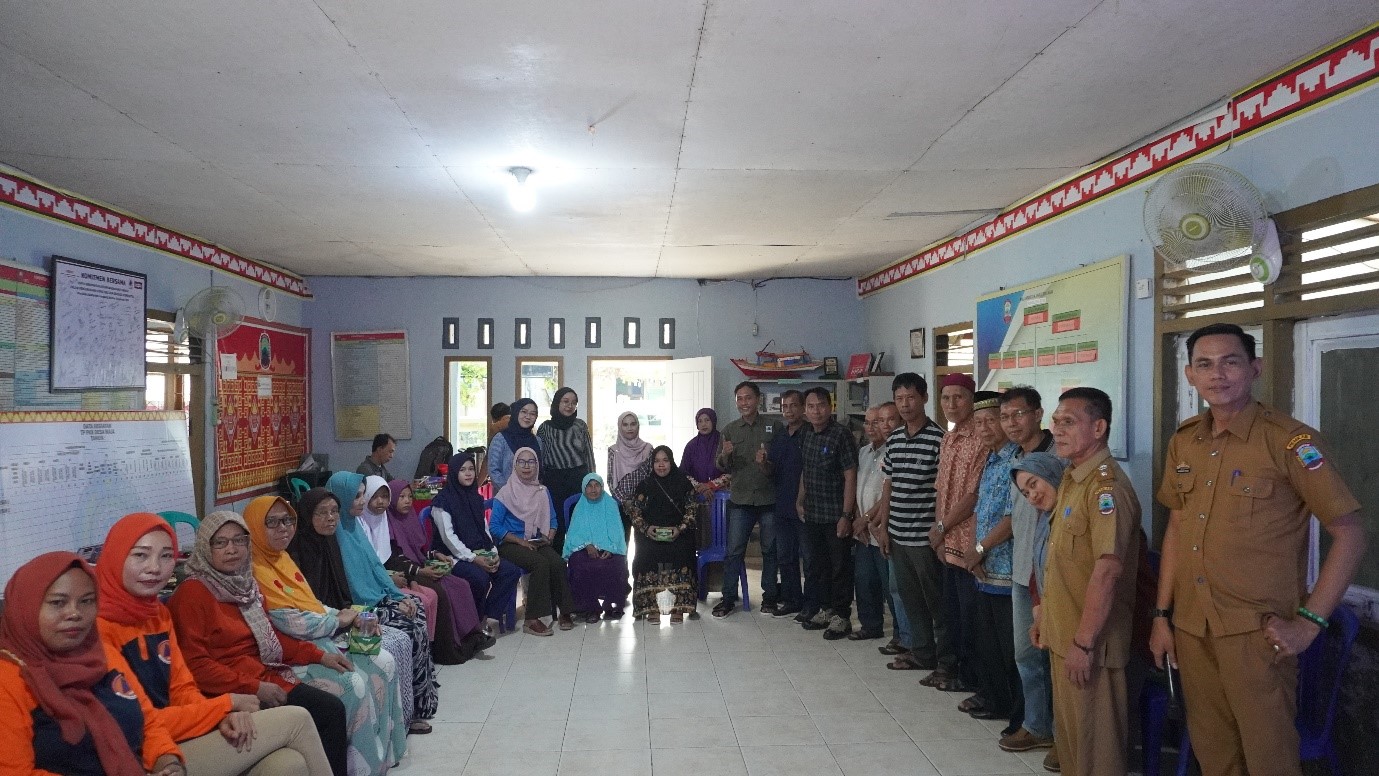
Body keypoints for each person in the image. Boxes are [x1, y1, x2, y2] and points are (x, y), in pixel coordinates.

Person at [1152, 323, 1366, 776]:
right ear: (1190, 375)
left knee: (1270, 760)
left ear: (1255, 369)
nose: (1218, 374)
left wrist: (1309, 624)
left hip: (1257, 634)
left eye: (1231, 361)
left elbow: (1350, 533)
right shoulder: (1185, 440)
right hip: (1192, 629)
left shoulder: (1291, 441)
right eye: (1204, 364)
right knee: (1214, 755)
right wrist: (1161, 616)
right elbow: (1176, 526)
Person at [96, 513, 333, 776]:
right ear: (116, 556)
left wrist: (218, 715)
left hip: (180, 732)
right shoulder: (97, 630)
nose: (155, 567)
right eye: (140, 555)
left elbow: (182, 687)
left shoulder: (156, 615)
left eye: (165, 556)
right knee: (297, 719)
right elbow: (139, 722)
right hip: (137, 753)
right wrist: (224, 706)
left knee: (289, 764)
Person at [166, 512, 358, 776]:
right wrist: (255, 687)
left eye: (239, 540)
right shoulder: (192, 594)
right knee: (325, 712)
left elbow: (270, 637)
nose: (231, 550)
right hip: (229, 692)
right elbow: (196, 667)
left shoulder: (247, 586)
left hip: (264, 677)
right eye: (220, 543)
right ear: (204, 548)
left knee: (330, 708)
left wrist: (318, 655)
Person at [1031, 387, 1140, 776]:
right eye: (1056, 422)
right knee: (1074, 748)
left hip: (1091, 644)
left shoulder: (1106, 488)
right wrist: (1044, 614)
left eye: (1069, 422)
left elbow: (1107, 572)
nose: (1057, 430)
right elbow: (1059, 559)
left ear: (1099, 427)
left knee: (1098, 753)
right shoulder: (1072, 478)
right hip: (1065, 635)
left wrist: (1083, 642)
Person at [1, 551, 186, 776]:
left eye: (86, 601)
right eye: (58, 603)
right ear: (25, 607)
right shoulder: (8, 679)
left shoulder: (103, 654)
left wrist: (169, 763)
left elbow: (149, 723)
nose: (74, 613)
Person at [283, 487, 419, 737]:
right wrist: (343, 618)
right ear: (306, 516)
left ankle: (398, 723)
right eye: (321, 513)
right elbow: (305, 606)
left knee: (398, 640)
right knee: (386, 649)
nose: (331, 518)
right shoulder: (295, 552)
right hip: (316, 629)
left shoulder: (330, 542)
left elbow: (345, 594)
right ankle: (370, 734)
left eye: (334, 511)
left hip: (340, 618)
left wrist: (354, 616)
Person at [325, 472, 439, 731]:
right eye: (357, 496)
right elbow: (353, 585)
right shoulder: (336, 534)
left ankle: (422, 700)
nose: (361, 501)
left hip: (376, 597)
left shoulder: (354, 526)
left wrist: (397, 596)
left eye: (363, 494)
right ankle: (406, 713)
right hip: (362, 605)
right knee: (409, 628)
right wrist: (386, 602)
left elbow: (376, 566)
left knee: (417, 609)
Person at [996, 387, 1057, 757]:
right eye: (1006, 417)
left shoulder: (1057, 457)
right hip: (1022, 571)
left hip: (1052, 574)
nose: (1011, 423)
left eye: (1018, 414)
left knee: (1054, 658)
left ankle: (1062, 734)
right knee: (1026, 654)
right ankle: (1037, 725)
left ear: (1038, 414)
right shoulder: (1014, 458)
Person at [876, 373, 949, 677]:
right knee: (910, 599)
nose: (905, 405)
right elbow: (888, 484)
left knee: (936, 602)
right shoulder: (893, 438)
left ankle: (946, 661)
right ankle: (921, 654)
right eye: (899, 398)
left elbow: (944, 489)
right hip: (897, 533)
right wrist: (883, 526)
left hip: (925, 538)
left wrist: (940, 531)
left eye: (911, 398)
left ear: (924, 398)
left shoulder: (940, 439)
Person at [963, 392, 1024, 734]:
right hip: (984, 565)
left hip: (1008, 566)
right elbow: (981, 506)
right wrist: (975, 551)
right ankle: (995, 699)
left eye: (992, 420)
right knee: (988, 642)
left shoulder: (1019, 459)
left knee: (1011, 647)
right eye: (979, 422)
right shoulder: (990, 458)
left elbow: (1014, 517)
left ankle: (1017, 713)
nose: (985, 428)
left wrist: (981, 548)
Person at [386, 478, 495, 661]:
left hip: (420, 566)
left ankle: (472, 636)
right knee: (442, 590)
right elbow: (393, 560)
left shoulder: (409, 517)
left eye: (409, 496)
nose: (407, 501)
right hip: (406, 573)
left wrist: (435, 555)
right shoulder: (388, 523)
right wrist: (421, 572)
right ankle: (448, 646)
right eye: (401, 497)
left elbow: (419, 550)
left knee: (460, 585)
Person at [1010, 452, 1069, 772]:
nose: (1032, 495)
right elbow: (1039, 565)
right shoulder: (1047, 518)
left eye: (1034, 484)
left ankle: (1066, 742)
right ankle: (1043, 730)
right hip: (1052, 608)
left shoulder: (1077, 509)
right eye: (1025, 492)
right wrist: (1039, 609)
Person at [928, 372, 984, 695]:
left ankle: (969, 676)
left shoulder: (980, 438)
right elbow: (942, 490)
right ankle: (949, 669)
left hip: (968, 542)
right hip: (947, 541)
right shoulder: (948, 437)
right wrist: (939, 531)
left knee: (969, 616)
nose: (951, 404)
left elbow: (972, 495)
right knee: (950, 611)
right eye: (946, 398)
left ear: (971, 399)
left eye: (958, 397)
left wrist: (942, 527)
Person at [428, 452, 525, 625]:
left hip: (478, 551)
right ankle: (471, 622)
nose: (468, 473)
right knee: (480, 578)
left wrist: (492, 552)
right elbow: (449, 539)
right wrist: (474, 559)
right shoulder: (442, 502)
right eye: (463, 470)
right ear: (454, 473)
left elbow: (484, 529)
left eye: (471, 469)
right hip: (453, 557)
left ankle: (485, 617)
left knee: (510, 571)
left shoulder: (475, 497)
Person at [488, 447, 576, 635]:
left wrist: (549, 536)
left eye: (531, 462)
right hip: (510, 544)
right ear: (515, 465)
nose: (527, 466)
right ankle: (532, 619)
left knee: (558, 562)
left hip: (534, 541)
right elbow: (494, 527)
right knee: (540, 564)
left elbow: (552, 520)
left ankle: (565, 612)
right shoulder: (505, 493)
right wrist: (520, 541)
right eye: (522, 462)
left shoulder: (542, 491)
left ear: (537, 465)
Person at [795, 386, 859, 639]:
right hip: (812, 512)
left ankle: (841, 617)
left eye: (821, 405)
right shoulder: (806, 434)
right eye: (811, 406)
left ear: (830, 407)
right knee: (817, 566)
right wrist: (800, 499)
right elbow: (806, 470)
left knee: (839, 567)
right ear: (805, 410)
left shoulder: (841, 435)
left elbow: (850, 474)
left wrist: (846, 514)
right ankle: (825, 609)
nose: (816, 411)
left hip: (835, 514)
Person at [712, 381, 776, 618]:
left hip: (768, 498)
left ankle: (770, 598)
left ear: (758, 399)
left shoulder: (773, 426)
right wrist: (725, 455)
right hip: (740, 498)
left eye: (748, 398)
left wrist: (766, 462)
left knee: (770, 550)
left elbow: (779, 465)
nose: (744, 403)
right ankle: (728, 598)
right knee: (734, 551)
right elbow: (720, 465)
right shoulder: (729, 430)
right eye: (739, 398)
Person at [358, 477, 440, 643]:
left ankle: (432, 648)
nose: (380, 502)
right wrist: (410, 577)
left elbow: (408, 551)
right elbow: (371, 565)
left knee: (435, 593)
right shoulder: (361, 524)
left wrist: (412, 576)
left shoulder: (382, 521)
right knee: (423, 599)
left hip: (395, 576)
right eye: (374, 496)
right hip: (375, 589)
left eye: (384, 497)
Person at [627, 446, 700, 622]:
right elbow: (635, 512)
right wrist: (646, 528)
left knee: (682, 552)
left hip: (678, 534)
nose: (661, 465)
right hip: (651, 534)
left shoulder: (683, 483)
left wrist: (680, 528)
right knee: (646, 554)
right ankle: (652, 608)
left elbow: (692, 510)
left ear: (671, 462)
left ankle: (678, 608)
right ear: (652, 464)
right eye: (657, 461)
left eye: (665, 460)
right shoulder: (645, 485)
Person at [850, 404, 896, 641]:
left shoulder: (894, 450)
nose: (871, 427)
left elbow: (889, 493)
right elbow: (860, 489)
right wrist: (860, 519)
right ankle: (870, 625)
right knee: (864, 580)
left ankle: (901, 633)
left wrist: (868, 520)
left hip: (881, 527)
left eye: (876, 422)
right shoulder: (864, 452)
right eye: (867, 422)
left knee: (890, 585)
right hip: (864, 528)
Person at [564, 473, 632, 622]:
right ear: (584, 488)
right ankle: (589, 609)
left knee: (616, 563)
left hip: (609, 548)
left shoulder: (610, 504)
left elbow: (617, 532)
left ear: (602, 487)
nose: (593, 489)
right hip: (584, 548)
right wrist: (587, 544)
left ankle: (612, 606)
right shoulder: (580, 507)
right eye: (589, 486)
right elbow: (574, 534)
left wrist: (610, 548)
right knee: (578, 563)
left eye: (597, 486)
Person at [536, 387, 596, 552]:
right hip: (554, 483)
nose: (570, 406)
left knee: (580, 525)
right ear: (557, 403)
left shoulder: (580, 426)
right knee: (557, 528)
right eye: (565, 401)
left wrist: (592, 481)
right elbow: (540, 459)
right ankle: (559, 572)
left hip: (578, 480)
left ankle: (579, 571)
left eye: (574, 403)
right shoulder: (544, 428)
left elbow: (589, 455)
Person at [767, 389, 808, 619]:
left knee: (810, 559)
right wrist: (763, 464)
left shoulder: (809, 433)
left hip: (805, 506)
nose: (789, 410)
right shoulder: (780, 435)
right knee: (785, 556)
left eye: (793, 405)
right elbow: (772, 469)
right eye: (785, 406)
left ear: (802, 408)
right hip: (782, 504)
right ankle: (792, 600)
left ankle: (812, 604)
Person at [608, 411, 654, 541]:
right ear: (620, 427)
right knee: (621, 545)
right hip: (621, 505)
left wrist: (640, 500)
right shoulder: (613, 450)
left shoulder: (648, 449)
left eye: (633, 424)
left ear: (638, 426)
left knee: (643, 546)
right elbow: (611, 481)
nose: (629, 428)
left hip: (644, 504)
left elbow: (651, 478)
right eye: (625, 424)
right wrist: (625, 501)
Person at [487, 398, 540, 492]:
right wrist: (510, 492)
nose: (528, 416)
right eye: (524, 412)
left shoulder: (537, 441)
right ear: (516, 413)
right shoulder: (500, 439)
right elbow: (493, 470)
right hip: (506, 498)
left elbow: (539, 470)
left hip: (532, 497)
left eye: (532, 413)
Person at [681, 407, 728, 495]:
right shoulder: (691, 446)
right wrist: (700, 487)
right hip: (698, 495)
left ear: (713, 421)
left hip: (721, 494)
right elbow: (684, 473)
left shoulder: (723, 442)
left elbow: (731, 471)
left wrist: (711, 485)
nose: (703, 424)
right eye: (700, 421)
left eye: (707, 420)